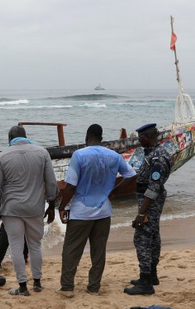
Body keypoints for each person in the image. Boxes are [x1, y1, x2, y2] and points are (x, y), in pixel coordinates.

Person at [56, 124, 136, 298]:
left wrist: (62, 207)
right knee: (98, 251)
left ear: (87, 137)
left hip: (80, 212)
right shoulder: (114, 156)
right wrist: (114, 191)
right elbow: (132, 176)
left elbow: (70, 186)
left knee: (71, 249)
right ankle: (94, 287)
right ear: (101, 137)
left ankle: (68, 287)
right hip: (103, 211)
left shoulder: (80, 155)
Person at [0, 125, 59, 296]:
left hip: (11, 209)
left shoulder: (2, 156)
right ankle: (37, 283)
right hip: (35, 207)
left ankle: (22, 287)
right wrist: (51, 206)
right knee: (35, 245)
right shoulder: (42, 153)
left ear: (9, 137)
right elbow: (51, 183)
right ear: (26, 136)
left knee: (16, 247)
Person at [124, 123, 172, 296]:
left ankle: (145, 282)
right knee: (153, 236)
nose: (139, 140)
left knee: (142, 238)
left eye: (142, 137)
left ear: (151, 137)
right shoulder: (153, 153)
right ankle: (152, 275)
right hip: (149, 199)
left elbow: (153, 187)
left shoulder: (158, 157)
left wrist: (141, 213)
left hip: (150, 201)